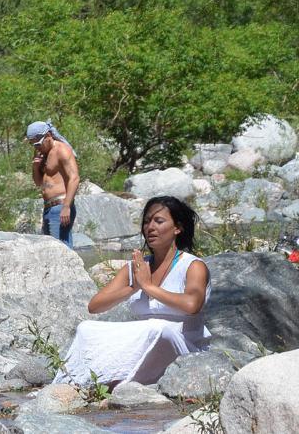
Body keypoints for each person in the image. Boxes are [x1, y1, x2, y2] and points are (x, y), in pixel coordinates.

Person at [54, 196, 211, 386]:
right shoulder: (136, 267)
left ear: (177, 228)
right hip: (145, 342)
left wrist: (148, 287)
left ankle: (121, 381)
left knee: (158, 329)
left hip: (184, 347)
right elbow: (94, 306)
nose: (150, 227)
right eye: (146, 222)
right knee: (86, 328)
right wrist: (133, 287)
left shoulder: (193, 266)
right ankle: (76, 382)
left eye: (158, 221)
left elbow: (192, 305)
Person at [27, 121, 80, 247]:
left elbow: (75, 178)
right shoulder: (43, 153)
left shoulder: (62, 150)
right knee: (51, 249)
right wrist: (35, 167)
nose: (36, 147)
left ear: (49, 135)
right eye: (33, 144)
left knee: (62, 248)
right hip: (48, 208)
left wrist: (66, 206)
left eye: (38, 143)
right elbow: (39, 183)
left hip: (60, 206)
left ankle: (72, 267)